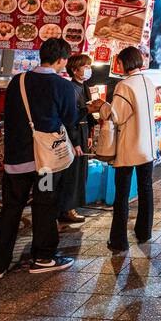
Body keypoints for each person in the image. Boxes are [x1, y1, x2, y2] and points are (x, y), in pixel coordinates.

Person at [0, 37, 77, 278]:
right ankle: (43, 257)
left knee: (11, 208)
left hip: (16, 160)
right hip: (44, 164)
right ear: (60, 60)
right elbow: (70, 118)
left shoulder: (19, 81)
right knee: (44, 204)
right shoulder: (63, 86)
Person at [105, 46, 158, 251]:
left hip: (129, 147)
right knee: (146, 189)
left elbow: (117, 116)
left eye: (118, 61)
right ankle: (144, 232)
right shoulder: (149, 82)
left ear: (124, 63)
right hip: (147, 146)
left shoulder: (124, 86)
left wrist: (102, 107)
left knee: (122, 194)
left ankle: (119, 241)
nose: (117, 65)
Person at [57, 53, 98, 229]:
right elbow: (70, 117)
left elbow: (88, 115)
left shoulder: (85, 87)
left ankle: (72, 206)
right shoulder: (70, 88)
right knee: (72, 174)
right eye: (85, 66)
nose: (88, 69)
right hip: (73, 133)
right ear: (75, 70)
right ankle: (67, 209)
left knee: (80, 172)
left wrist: (89, 134)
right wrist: (75, 143)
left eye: (89, 66)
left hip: (82, 132)